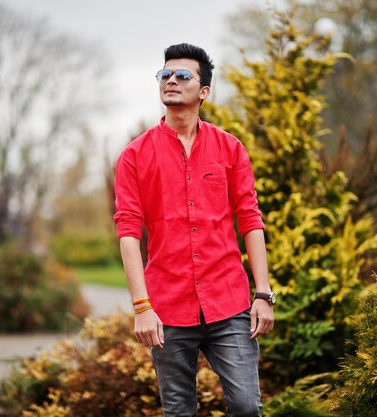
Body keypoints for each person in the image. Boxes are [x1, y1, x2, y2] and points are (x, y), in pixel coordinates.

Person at [113, 43, 275, 417]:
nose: (171, 80)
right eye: (165, 74)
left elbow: (250, 219)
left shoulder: (230, 149)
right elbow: (128, 233)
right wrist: (142, 306)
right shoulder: (134, 157)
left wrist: (263, 294)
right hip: (167, 308)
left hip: (229, 303)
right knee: (179, 411)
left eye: (182, 75)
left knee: (247, 407)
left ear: (203, 91)